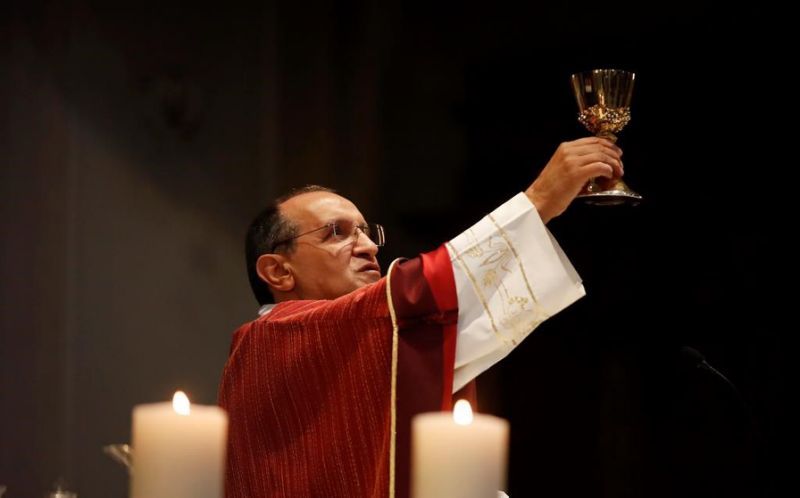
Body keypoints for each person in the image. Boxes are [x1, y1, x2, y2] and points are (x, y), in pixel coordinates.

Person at [218, 137, 624, 498]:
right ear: (278, 271)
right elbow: (411, 296)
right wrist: (538, 200)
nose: (368, 247)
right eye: (336, 233)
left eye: (365, 232)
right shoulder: (269, 339)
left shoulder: (364, 339)